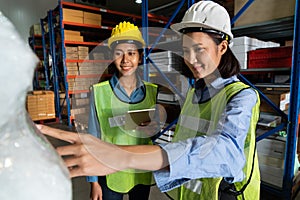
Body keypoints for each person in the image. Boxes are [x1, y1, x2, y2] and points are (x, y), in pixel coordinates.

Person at [38, 1, 261, 200]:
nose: (191, 60)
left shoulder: (242, 97)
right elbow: (189, 123)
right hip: (182, 191)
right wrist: (162, 114)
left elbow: (227, 151)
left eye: (199, 50)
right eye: (186, 51)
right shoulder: (195, 92)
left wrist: (122, 155)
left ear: (222, 47)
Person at [87, 21, 159, 200]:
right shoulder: (99, 92)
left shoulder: (152, 91)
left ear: (139, 57)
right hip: (111, 172)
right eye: (119, 53)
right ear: (112, 56)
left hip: (141, 170)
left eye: (131, 53)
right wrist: (94, 182)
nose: (125, 60)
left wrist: (154, 129)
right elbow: (92, 138)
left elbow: (156, 132)